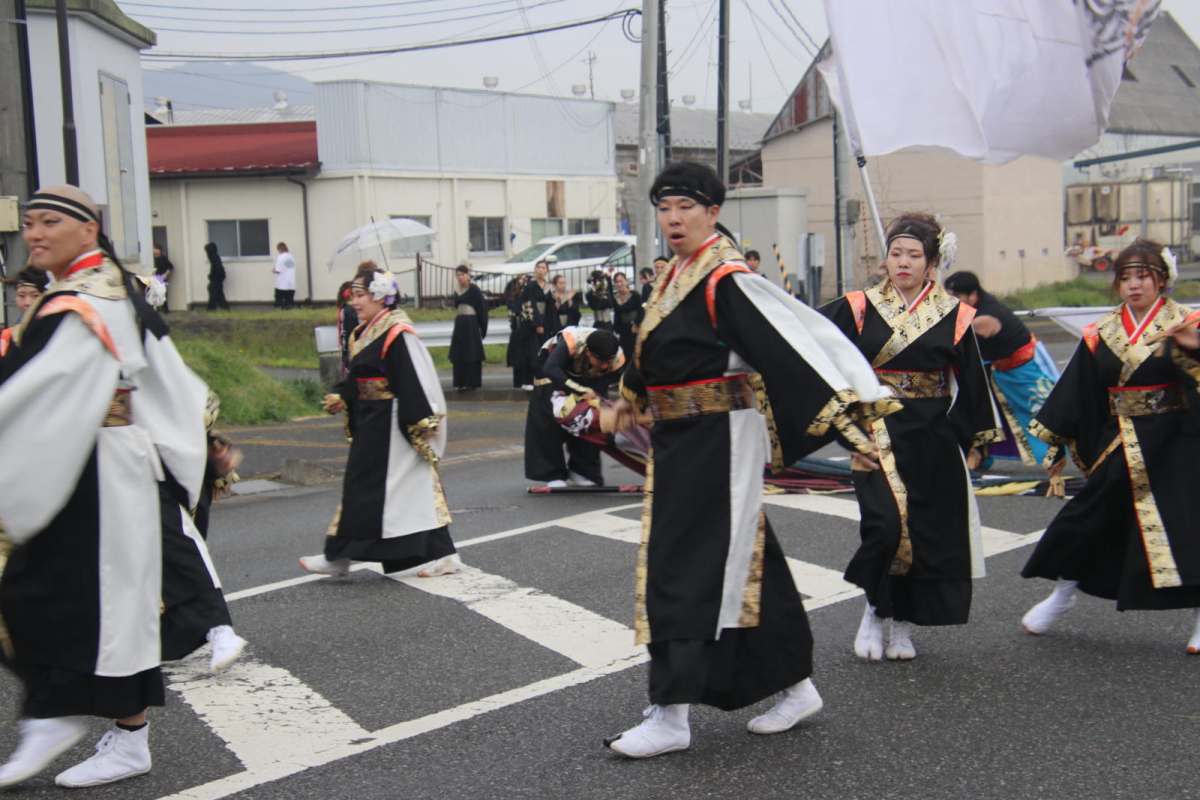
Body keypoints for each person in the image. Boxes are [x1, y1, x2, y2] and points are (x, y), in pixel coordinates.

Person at [605, 162, 895, 758]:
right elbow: (657, 349)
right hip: (682, 441)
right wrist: (630, 399)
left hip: (717, 440)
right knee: (743, 561)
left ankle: (672, 713)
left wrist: (851, 430)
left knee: (681, 567)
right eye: (664, 208)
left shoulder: (725, 280)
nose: (674, 218)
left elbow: (787, 352)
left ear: (713, 212)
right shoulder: (675, 277)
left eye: (686, 206)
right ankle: (796, 686)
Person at [0, 185, 212, 788]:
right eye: (29, 223)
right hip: (82, 461)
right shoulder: (82, 293)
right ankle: (94, 724)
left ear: (88, 231)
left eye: (47, 223)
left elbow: (38, 389)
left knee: (76, 599)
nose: (34, 233)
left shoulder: (89, 300)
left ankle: (63, 713)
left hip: (86, 465)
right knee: (104, 608)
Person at [820, 213, 1002, 662]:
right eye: (896, 253)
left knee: (924, 532)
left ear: (932, 262)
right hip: (876, 430)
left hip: (931, 434)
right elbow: (814, 343)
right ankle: (874, 609)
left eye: (913, 255)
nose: (902, 262)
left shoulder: (955, 315)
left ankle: (902, 624)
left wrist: (975, 438)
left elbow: (972, 381)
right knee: (884, 525)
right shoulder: (857, 306)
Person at [1020, 239, 1200, 652]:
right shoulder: (1101, 332)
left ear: (1162, 280)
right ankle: (1061, 596)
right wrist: (1058, 443)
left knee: (1187, 527)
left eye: (1144, 277)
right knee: (1086, 518)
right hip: (1119, 439)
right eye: (1126, 278)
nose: (1134, 286)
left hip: (1176, 440)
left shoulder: (1186, 322)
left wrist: (1193, 351)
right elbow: (1079, 390)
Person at [300, 268, 463, 579]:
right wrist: (342, 394)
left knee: (398, 489)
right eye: (352, 296)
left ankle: (340, 556)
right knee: (373, 489)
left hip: (394, 424)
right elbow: (358, 377)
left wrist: (422, 422)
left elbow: (412, 377)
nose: (354, 303)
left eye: (359, 295)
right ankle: (342, 556)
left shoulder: (396, 331)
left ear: (380, 296)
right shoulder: (362, 333)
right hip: (372, 423)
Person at [944, 270, 1057, 466]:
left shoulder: (984, 317)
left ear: (973, 294)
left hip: (1025, 369)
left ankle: (1065, 461)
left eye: (957, 296)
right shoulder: (974, 306)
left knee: (1046, 415)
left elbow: (957, 348)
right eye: (949, 296)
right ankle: (981, 455)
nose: (952, 301)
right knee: (984, 411)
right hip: (999, 370)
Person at [524, 327, 622, 488]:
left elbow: (600, 387)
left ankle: (583, 470)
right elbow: (550, 368)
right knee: (549, 419)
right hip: (552, 370)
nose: (605, 366)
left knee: (590, 417)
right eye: (601, 362)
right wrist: (577, 389)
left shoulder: (618, 359)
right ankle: (552, 472)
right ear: (589, 352)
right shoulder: (570, 342)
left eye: (608, 362)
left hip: (587, 377)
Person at [448, 265, 488, 391]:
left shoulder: (474, 289)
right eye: (458, 275)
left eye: (463, 275)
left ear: (468, 275)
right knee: (459, 351)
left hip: (471, 323)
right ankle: (460, 382)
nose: (460, 277)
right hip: (460, 322)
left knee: (470, 351)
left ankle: (471, 382)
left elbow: (481, 308)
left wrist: (482, 326)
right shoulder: (456, 290)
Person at [515, 261, 551, 389]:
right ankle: (528, 380)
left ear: (547, 271)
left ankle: (542, 379)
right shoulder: (530, 286)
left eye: (543, 268)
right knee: (532, 351)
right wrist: (536, 324)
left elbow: (550, 306)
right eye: (539, 268)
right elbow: (529, 304)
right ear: (535, 270)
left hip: (545, 320)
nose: (541, 270)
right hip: (532, 323)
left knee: (544, 350)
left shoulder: (548, 287)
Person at [0, 270, 48, 361]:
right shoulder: (8, 336)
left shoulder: (56, 331)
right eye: (21, 296)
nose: (27, 303)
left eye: (35, 296)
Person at [504, 276, 537, 390]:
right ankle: (518, 384)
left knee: (529, 359)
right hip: (518, 332)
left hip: (530, 332)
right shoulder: (513, 299)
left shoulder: (534, 297)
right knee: (518, 360)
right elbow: (513, 315)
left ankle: (529, 382)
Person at [612, 271, 643, 358]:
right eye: (617, 282)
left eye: (621, 281)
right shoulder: (615, 297)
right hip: (623, 328)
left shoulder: (634, 295)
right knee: (624, 351)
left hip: (634, 327)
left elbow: (642, 309)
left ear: (625, 281)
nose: (619, 284)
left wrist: (637, 323)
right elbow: (617, 313)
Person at [546, 273, 582, 339]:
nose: (563, 285)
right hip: (556, 326)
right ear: (555, 284)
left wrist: (569, 299)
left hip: (569, 324)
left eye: (564, 283)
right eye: (561, 283)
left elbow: (575, 312)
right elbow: (552, 312)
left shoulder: (568, 296)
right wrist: (560, 302)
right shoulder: (551, 297)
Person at [205, 242, 229, 311]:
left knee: (214, 294)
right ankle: (224, 309)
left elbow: (218, 270)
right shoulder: (215, 258)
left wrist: (212, 277)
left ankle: (212, 309)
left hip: (216, 280)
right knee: (219, 295)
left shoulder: (215, 259)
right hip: (217, 280)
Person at [272, 242, 297, 310]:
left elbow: (277, 270)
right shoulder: (291, 257)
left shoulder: (281, 257)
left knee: (279, 301)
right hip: (291, 284)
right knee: (289, 303)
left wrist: (273, 270)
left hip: (281, 285)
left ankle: (281, 313)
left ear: (279, 249)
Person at [152, 244, 173, 313]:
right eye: (154, 249)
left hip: (161, 277)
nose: (155, 250)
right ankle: (157, 308)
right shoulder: (152, 259)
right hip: (154, 278)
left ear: (160, 250)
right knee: (155, 293)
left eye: (157, 249)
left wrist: (165, 274)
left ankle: (165, 309)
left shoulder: (163, 258)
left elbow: (170, 267)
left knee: (163, 293)